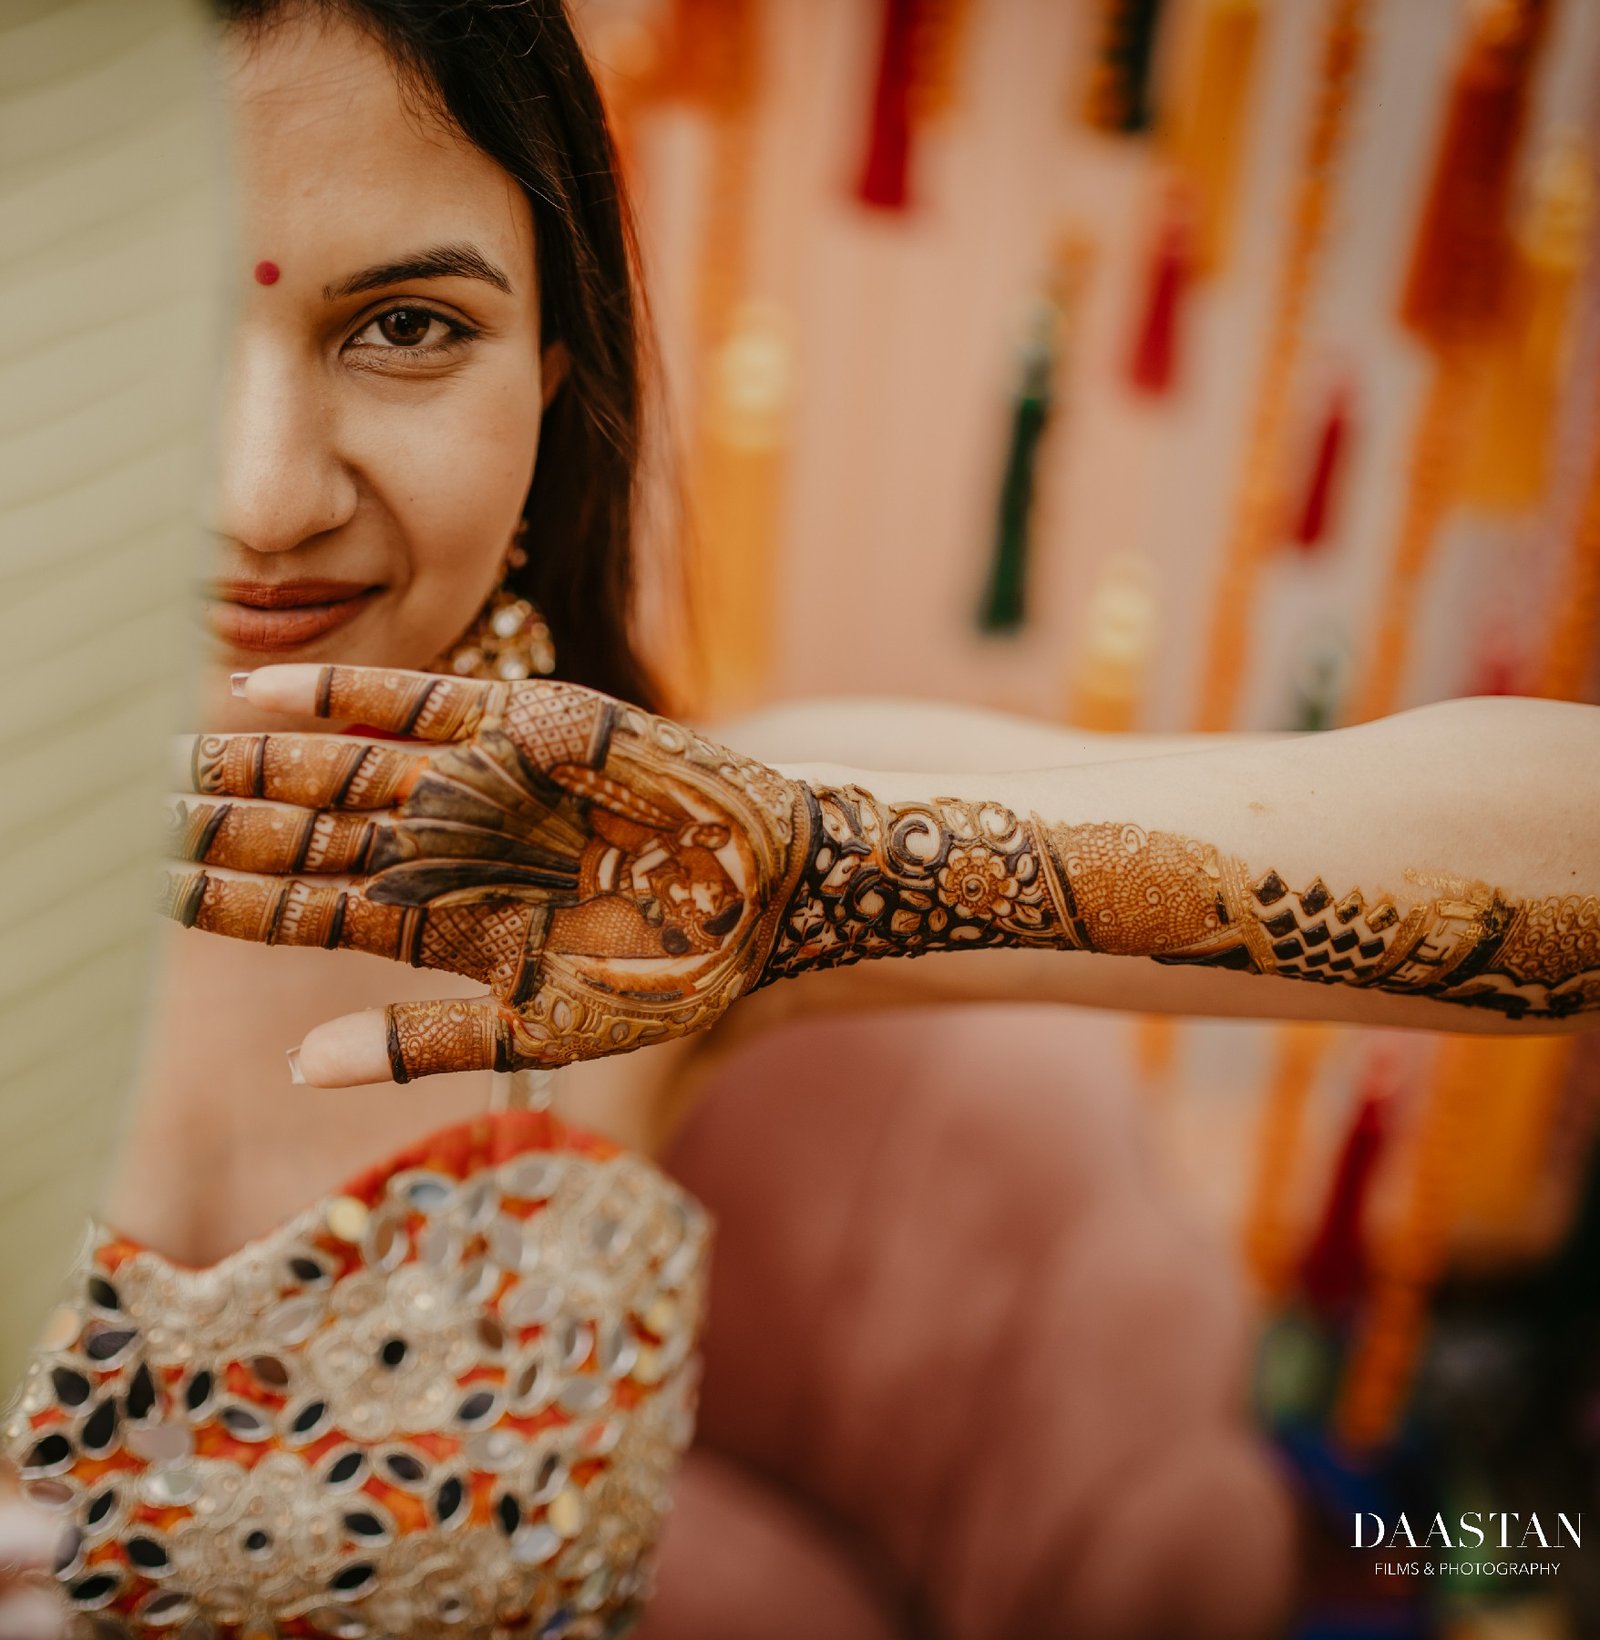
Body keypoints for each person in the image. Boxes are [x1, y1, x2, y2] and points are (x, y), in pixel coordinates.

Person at [5, 1, 1598, 1636]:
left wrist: (806, 873)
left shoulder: (664, 848)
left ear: (555, 379)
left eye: (408, 325)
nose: (268, 493)